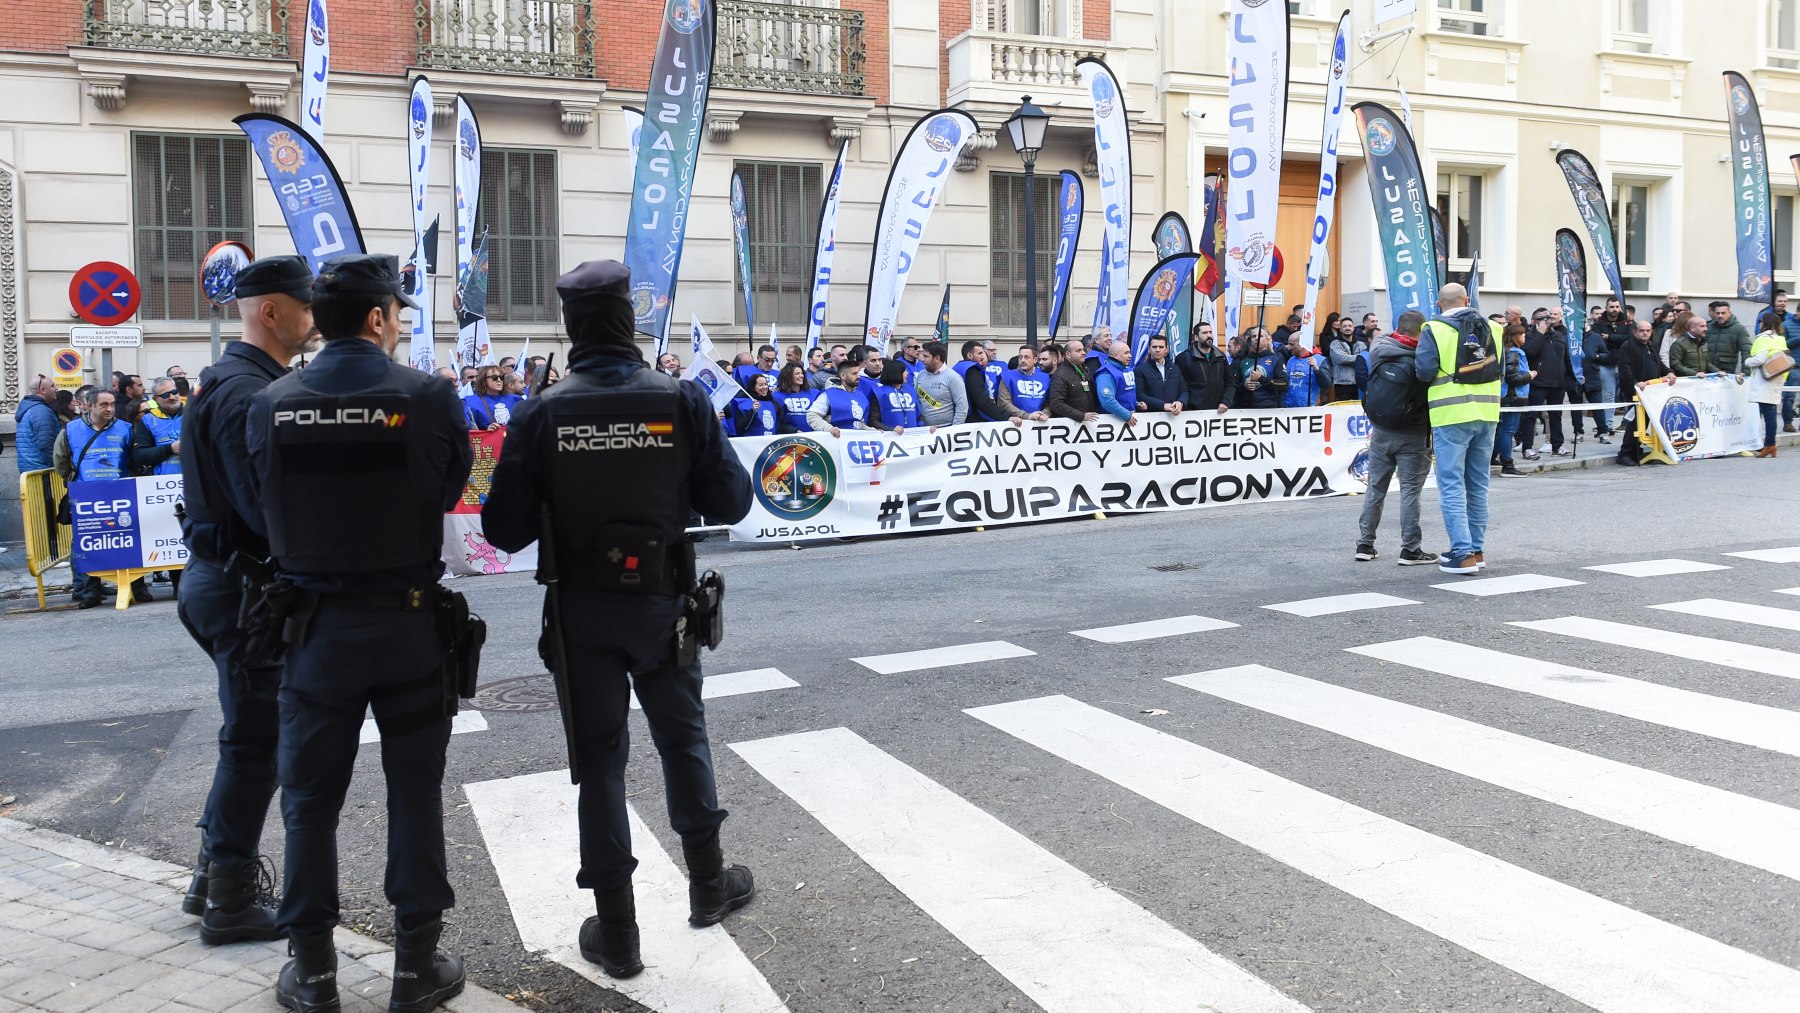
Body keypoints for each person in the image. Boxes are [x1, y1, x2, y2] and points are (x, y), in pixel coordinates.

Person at [480, 261, 756, 980]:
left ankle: (620, 930)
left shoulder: (542, 411)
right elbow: (731, 500)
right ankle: (706, 883)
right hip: (663, 602)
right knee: (682, 739)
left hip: (581, 610)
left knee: (600, 764)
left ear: (572, 326)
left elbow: (503, 529)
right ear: (628, 323)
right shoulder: (678, 398)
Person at [244, 254, 472, 1012]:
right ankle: (415, 967)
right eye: (399, 314)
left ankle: (312, 972)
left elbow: (259, 501)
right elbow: (447, 488)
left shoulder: (270, 402)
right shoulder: (429, 396)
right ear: (377, 319)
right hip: (406, 625)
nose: (401, 324)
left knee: (309, 800)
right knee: (415, 793)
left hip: (314, 633)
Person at [175, 255, 316, 945]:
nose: (313, 319)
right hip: (239, 585)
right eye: (305, 306)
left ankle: (212, 877)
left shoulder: (240, 380)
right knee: (255, 740)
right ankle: (229, 893)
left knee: (250, 734)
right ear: (271, 311)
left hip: (228, 580)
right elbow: (260, 508)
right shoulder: (243, 391)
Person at [1415, 283, 1501, 575]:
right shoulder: (1494, 329)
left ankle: (1461, 553)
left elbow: (1424, 371)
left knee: (1451, 485)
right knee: (1478, 485)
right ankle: (1477, 551)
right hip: (1488, 413)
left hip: (1450, 414)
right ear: (1467, 300)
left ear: (1440, 304)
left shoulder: (1434, 328)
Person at [1356, 310, 1437, 565]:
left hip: (1381, 429)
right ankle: (1410, 549)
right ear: (1421, 330)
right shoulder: (1423, 360)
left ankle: (1365, 544)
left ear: (1398, 329)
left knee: (1375, 487)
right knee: (1410, 491)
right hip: (1413, 433)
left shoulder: (1380, 348)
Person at [53, 388, 138, 608]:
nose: (110, 409)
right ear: (90, 406)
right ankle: (87, 590)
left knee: (125, 538)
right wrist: (73, 481)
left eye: (111, 404)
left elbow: (132, 458)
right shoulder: (71, 430)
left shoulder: (126, 428)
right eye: (104, 405)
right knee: (86, 542)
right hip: (86, 494)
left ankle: (136, 586)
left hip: (120, 493)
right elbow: (61, 460)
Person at [1614, 317, 1673, 467]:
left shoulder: (1650, 346)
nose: (1645, 333)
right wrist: (1634, 384)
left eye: (1648, 331)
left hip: (1651, 392)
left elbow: (1659, 364)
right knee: (1635, 424)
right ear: (1634, 332)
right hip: (1636, 392)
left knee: (1644, 423)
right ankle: (1625, 453)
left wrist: (1669, 372)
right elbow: (1625, 369)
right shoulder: (1628, 347)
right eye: (1642, 331)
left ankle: (1636, 450)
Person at [14, 373, 61, 560]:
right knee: (47, 514)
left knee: (40, 513)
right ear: (42, 390)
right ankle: (51, 555)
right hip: (42, 471)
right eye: (52, 386)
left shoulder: (31, 408)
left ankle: (46, 554)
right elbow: (47, 445)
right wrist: (58, 468)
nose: (55, 388)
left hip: (33, 469)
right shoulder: (41, 411)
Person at [1518, 310, 1569, 459]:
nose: (1548, 320)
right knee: (1530, 416)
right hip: (1538, 383)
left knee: (1556, 416)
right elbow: (1531, 352)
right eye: (1543, 318)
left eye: (1550, 317)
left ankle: (1557, 445)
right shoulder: (1529, 336)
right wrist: (1540, 333)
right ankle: (1527, 447)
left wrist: (1572, 377)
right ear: (1534, 321)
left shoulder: (1558, 336)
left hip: (1558, 383)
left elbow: (1565, 358)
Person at [1495, 323, 1533, 478]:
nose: (1525, 336)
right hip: (1512, 396)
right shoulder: (1515, 352)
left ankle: (1494, 457)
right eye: (1522, 334)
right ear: (1516, 336)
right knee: (1508, 429)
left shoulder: (1509, 352)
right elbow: (1513, 377)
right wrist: (1530, 375)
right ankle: (1507, 464)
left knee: (1505, 429)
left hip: (1510, 396)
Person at [1745, 327, 1790, 458]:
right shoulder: (1780, 339)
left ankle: (1769, 444)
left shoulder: (1763, 339)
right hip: (1776, 376)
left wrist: (1747, 361)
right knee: (1770, 412)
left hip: (1764, 379)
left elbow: (1759, 359)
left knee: (1768, 413)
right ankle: (1770, 444)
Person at [955, 340, 1024, 425]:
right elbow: (982, 401)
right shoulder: (972, 370)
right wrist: (1006, 416)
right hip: (972, 420)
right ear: (969, 355)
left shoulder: (957, 367)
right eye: (980, 353)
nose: (984, 356)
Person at [1174, 322, 1234, 414]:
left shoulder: (1221, 357)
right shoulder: (1184, 358)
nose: (1209, 335)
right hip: (1193, 412)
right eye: (1205, 333)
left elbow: (1230, 382)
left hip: (1218, 411)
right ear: (1196, 337)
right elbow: (1179, 385)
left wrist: (1225, 401)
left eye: (1210, 332)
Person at [131, 376, 184, 476]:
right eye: (165, 395)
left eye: (174, 391)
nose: (172, 397)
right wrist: (170, 449)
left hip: (196, 481)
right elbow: (140, 455)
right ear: (155, 399)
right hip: (162, 484)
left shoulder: (195, 414)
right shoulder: (148, 420)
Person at [809, 359, 874, 436]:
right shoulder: (828, 394)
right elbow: (812, 415)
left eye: (858, 373)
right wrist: (828, 428)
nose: (858, 376)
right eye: (854, 373)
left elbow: (859, 424)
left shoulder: (861, 396)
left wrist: (874, 431)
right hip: (834, 441)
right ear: (843, 376)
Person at [914, 340, 968, 428]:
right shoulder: (921, 375)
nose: (922, 359)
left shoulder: (953, 377)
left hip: (945, 432)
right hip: (923, 431)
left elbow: (962, 406)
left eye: (926, 356)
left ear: (937, 358)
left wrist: (953, 430)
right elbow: (916, 400)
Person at [1045, 337, 1098, 422]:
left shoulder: (1085, 369)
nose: (1083, 353)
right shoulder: (1060, 375)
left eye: (1083, 350)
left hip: (1088, 423)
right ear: (1068, 355)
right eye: (1078, 351)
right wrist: (1081, 416)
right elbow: (1056, 404)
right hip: (1070, 425)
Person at [1134, 335, 1186, 414]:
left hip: (1174, 416)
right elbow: (1140, 395)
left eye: (1161, 347)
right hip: (1151, 416)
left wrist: (1180, 402)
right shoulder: (1140, 370)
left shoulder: (1175, 368)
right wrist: (1162, 405)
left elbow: (1184, 390)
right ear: (1149, 349)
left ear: (1166, 349)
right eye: (1154, 347)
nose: (1157, 350)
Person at [997, 345, 1053, 419]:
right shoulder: (1007, 376)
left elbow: (1050, 401)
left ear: (1035, 360)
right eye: (1020, 357)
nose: (1022, 360)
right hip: (1017, 423)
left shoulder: (1046, 377)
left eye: (1027, 357)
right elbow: (1004, 403)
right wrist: (1027, 416)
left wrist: (1045, 413)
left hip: (1041, 422)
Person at [873, 359, 928, 434]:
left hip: (912, 438)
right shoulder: (880, 393)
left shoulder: (910, 390)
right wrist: (891, 429)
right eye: (904, 371)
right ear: (896, 373)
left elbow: (918, 416)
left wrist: (927, 427)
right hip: (891, 439)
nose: (907, 373)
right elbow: (873, 421)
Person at [1235, 331, 1285, 409]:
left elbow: (1284, 384)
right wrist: (1244, 386)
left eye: (1260, 336)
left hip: (1268, 407)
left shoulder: (1276, 360)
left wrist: (1261, 378)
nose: (1256, 338)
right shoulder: (1243, 361)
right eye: (1253, 336)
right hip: (1246, 408)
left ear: (1268, 339)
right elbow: (1234, 385)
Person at [1094, 338, 1139, 426]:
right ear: (1116, 355)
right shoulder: (1106, 373)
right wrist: (1127, 415)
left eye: (1129, 352)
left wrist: (1136, 403)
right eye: (1126, 353)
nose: (1130, 356)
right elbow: (1107, 401)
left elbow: (1125, 392)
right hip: (1113, 422)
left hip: (1128, 418)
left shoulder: (1127, 369)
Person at [464, 364, 521, 430]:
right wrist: (486, 430)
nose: (499, 380)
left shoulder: (515, 399)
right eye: (494, 377)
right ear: (483, 381)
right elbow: (469, 431)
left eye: (501, 377)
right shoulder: (470, 402)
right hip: (489, 439)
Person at [723, 372, 780, 438]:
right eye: (760, 385)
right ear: (753, 387)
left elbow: (778, 426)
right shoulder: (743, 403)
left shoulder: (773, 403)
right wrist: (753, 411)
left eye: (766, 384)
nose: (764, 387)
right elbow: (740, 428)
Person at [1705, 300, 1754, 374]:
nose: (1720, 316)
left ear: (1730, 313)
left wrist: (1746, 372)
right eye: (1718, 313)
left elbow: (1746, 351)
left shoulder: (1739, 329)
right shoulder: (1708, 327)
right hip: (1706, 369)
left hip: (1726, 370)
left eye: (1723, 313)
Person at [1280, 332, 1328, 408]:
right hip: (1289, 407)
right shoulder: (1291, 360)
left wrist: (1316, 369)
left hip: (1309, 408)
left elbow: (1327, 384)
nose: (1288, 347)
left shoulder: (1319, 360)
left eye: (1291, 344)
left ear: (1302, 344)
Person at [1326, 316, 1366, 402]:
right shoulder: (1335, 344)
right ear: (1340, 329)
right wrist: (1358, 358)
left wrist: (1349, 357)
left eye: (1350, 326)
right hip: (1342, 383)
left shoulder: (1361, 344)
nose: (1347, 328)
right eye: (1344, 326)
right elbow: (1341, 359)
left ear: (1353, 328)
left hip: (1358, 382)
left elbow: (1365, 359)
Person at [773, 363, 818, 433]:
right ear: (788, 376)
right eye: (797, 374)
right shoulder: (777, 396)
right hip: (789, 437)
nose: (801, 376)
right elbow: (777, 422)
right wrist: (793, 430)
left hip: (813, 436)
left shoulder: (814, 393)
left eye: (802, 373)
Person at [1668, 312, 1708, 377]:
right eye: (1702, 326)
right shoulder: (1679, 344)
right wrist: (1694, 374)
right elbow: (1675, 364)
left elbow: (1707, 362)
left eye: (1706, 326)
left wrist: (1717, 371)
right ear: (1692, 328)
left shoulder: (1704, 342)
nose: (1706, 329)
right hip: (1686, 380)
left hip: (1702, 379)